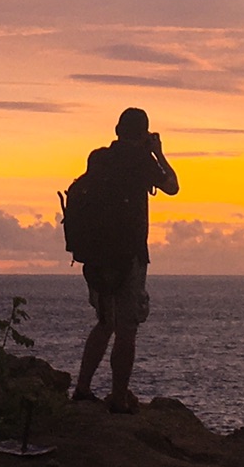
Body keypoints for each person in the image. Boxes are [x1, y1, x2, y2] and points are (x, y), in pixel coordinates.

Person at [73, 106, 178, 413]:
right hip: (129, 257)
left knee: (104, 323)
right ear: (144, 134)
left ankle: (82, 389)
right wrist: (158, 153)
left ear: (117, 130)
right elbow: (172, 186)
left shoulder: (98, 158)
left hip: (97, 256)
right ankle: (119, 397)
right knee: (127, 329)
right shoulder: (142, 161)